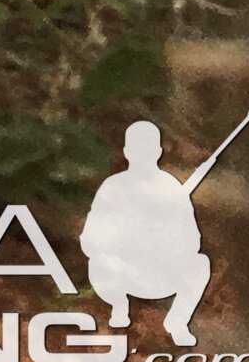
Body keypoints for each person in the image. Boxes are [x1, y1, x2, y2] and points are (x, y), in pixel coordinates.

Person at [81, 120, 212, 346]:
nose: (143, 154)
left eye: (148, 149)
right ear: (127, 152)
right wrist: (119, 241)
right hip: (120, 274)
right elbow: (89, 239)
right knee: (100, 262)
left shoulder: (172, 189)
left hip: (160, 274)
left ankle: (177, 321)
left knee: (200, 264)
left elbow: (193, 241)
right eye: (137, 148)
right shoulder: (113, 187)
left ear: (159, 152)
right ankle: (119, 306)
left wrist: (166, 239)